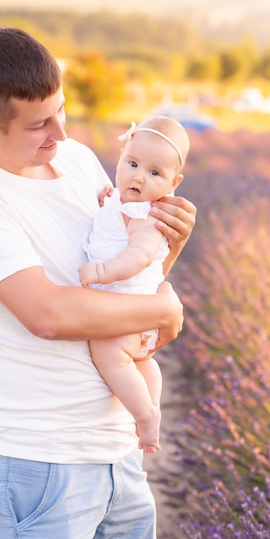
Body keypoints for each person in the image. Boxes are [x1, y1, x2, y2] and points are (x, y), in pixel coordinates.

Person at [0, 27, 196, 539]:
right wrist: (168, 310)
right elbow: (48, 314)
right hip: (38, 462)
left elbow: (123, 285)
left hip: (117, 450)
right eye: (39, 124)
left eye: (61, 112)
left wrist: (169, 249)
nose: (61, 133)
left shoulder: (75, 160)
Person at [78, 116, 190, 455]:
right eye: (132, 163)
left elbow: (138, 258)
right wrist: (108, 201)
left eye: (154, 173)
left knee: (112, 358)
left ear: (174, 182)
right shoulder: (122, 203)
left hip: (127, 306)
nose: (139, 176)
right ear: (121, 155)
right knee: (143, 362)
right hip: (135, 311)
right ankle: (152, 403)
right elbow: (111, 221)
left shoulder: (147, 217)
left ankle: (144, 417)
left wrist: (99, 271)